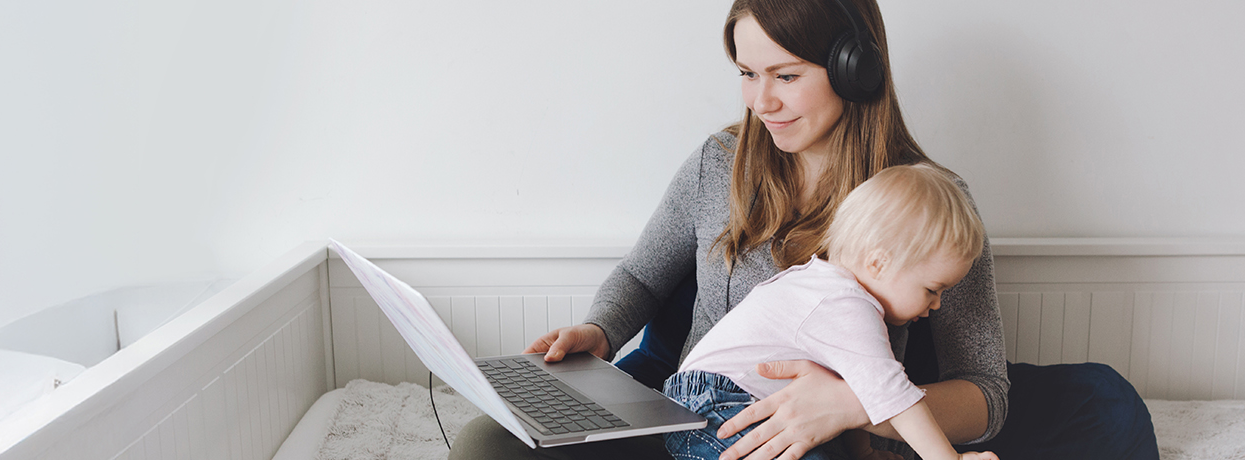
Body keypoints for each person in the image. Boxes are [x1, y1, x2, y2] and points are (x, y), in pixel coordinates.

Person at [448, 0, 1156, 459]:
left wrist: (853, 406)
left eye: (785, 76)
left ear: (854, 69)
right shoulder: (719, 162)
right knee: (487, 444)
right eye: (747, 74)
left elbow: (986, 393)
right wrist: (599, 330)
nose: (761, 102)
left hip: (819, 442)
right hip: (683, 415)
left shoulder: (929, 212)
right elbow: (641, 276)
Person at [664, 164, 998, 460]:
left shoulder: (828, 289)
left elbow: (853, 388)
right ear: (879, 263)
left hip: (705, 401)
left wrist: (863, 453)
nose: (937, 304)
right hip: (715, 404)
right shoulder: (847, 306)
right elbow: (891, 394)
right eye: (932, 289)